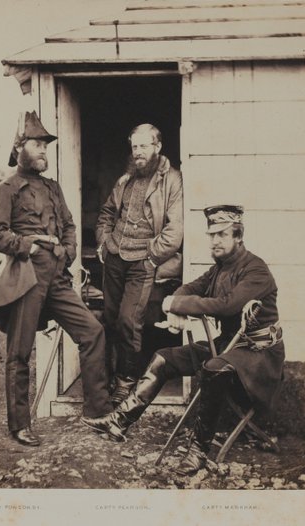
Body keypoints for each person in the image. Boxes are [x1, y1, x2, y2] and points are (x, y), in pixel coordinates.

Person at [82, 205, 285, 475]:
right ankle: (119, 421)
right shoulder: (219, 269)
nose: (215, 241)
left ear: (238, 236)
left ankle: (199, 451)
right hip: (228, 345)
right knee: (163, 358)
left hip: (258, 355)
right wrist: (175, 306)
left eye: (222, 234)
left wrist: (175, 304)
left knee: (214, 368)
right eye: (211, 235)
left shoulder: (255, 271)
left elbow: (226, 305)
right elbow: (190, 288)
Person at [0, 111, 113, 446]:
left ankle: (97, 411)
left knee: (93, 331)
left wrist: (68, 251)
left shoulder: (53, 188)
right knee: (19, 352)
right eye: (37, 144)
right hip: (27, 277)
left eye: (45, 144)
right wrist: (28, 246)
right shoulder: (7, 190)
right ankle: (19, 424)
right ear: (19, 148)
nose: (43, 150)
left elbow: (69, 225)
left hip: (57, 277)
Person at [95, 123, 184, 405]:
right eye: (134, 147)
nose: (138, 152)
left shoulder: (172, 180)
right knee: (111, 320)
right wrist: (104, 242)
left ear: (158, 147)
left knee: (129, 321)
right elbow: (107, 213)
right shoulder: (126, 179)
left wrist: (151, 257)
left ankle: (126, 381)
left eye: (144, 146)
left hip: (143, 262)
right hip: (115, 257)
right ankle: (109, 377)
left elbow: (175, 231)